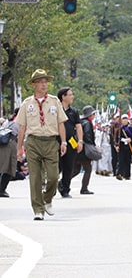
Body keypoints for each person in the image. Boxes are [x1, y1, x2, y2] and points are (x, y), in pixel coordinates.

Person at [15, 69, 69, 220]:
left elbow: (61, 123)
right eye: (40, 81)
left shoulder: (54, 101)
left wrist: (63, 141)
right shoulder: (27, 103)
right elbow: (22, 127)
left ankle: (47, 199)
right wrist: (19, 148)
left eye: (45, 81)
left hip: (51, 141)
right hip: (33, 142)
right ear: (34, 84)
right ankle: (38, 209)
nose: (44, 84)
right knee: (35, 177)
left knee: (53, 176)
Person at [57, 87, 83, 198]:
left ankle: (65, 189)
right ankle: (52, 184)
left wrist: (80, 141)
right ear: (63, 97)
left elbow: (78, 126)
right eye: (70, 94)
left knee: (69, 166)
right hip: (56, 141)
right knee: (56, 166)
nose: (72, 97)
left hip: (71, 141)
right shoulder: (55, 110)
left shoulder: (74, 111)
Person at [73, 105, 97, 195]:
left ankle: (62, 183)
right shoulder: (87, 123)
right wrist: (92, 146)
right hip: (84, 150)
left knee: (76, 169)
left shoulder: (80, 122)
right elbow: (87, 136)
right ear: (90, 115)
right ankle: (84, 188)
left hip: (77, 149)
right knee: (88, 168)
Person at [0, 115, 20, 197]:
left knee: (4, 168)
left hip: (4, 144)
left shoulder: (8, 122)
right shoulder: (19, 122)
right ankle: (1, 190)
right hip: (10, 145)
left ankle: (1, 189)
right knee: (10, 168)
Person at [116, 115, 132, 180]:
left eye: (126, 119)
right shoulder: (120, 129)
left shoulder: (131, 128)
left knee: (127, 161)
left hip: (129, 146)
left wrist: (131, 139)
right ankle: (119, 174)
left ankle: (127, 175)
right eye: (123, 119)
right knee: (121, 161)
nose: (125, 120)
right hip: (122, 146)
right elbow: (116, 138)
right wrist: (117, 146)